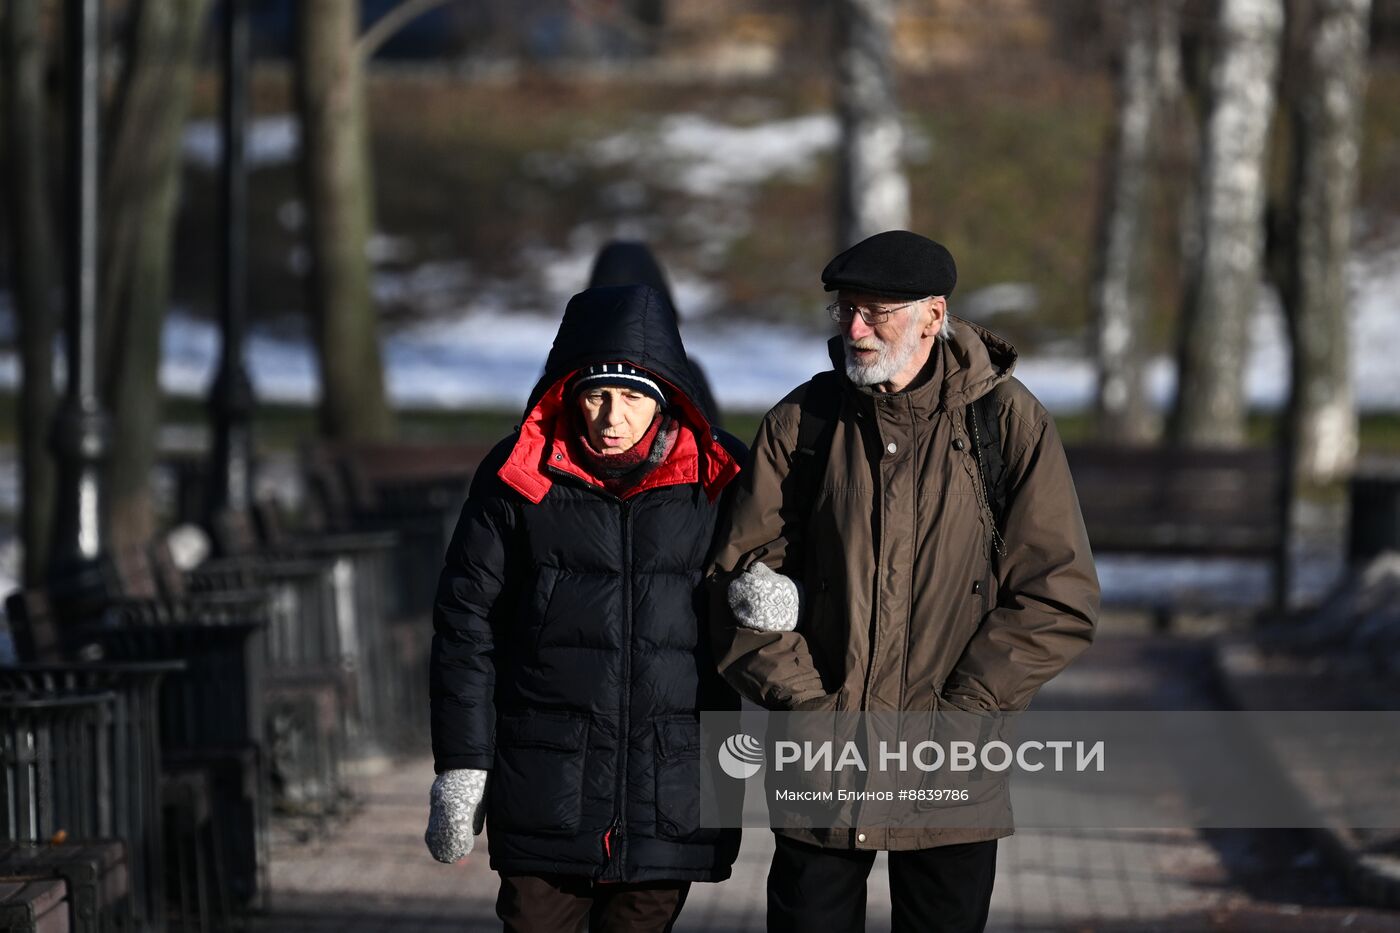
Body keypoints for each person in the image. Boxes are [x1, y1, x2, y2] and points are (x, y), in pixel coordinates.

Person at [706, 230, 1100, 933]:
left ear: (933, 313)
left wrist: (965, 712)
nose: (854, 328)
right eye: (845, 310)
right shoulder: (803, 424)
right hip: (820, 762)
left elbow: (1057, 593)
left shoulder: (1005, 422)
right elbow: (739, 584)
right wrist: (807, 708)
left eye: (875, 311)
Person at [425, 283, 745, 933]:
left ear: (665, 400)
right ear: (569, 392)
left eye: (632, 396)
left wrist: (772, 594)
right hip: (544, 777)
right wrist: (462, 764)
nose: (610, 415)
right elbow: (465, 623)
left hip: (672, 785)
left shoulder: (723, 476)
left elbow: (786, 572)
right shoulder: (518, 473)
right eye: (596, 393)